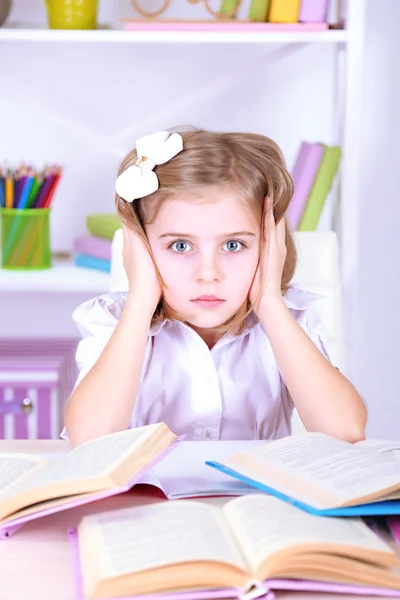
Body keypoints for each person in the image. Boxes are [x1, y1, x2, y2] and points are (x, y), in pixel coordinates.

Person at [64, 128, 366, 447]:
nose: (208, 274)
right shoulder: (112, 321)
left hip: (253, 498)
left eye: (233, 245)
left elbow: (345, 434)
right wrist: (140, 300)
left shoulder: (290, 320)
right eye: (180, 246)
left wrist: (270, 303)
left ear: (269, 246)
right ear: (141, 248)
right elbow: (89, 440)